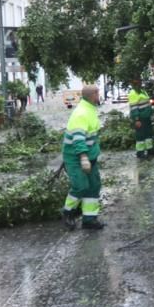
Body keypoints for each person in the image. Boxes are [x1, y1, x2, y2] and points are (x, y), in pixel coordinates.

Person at [61, 85, 104, 230]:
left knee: (93, 186)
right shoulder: (82, 113)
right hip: (76, 157)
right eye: (98, 93)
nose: (99, 95)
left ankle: (89, 219)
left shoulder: (90, 109)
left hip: (89, 156)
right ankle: (68, 213)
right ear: (93, 95)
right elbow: (78, 139)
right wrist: (84, 158)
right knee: (81, 186)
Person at [127, 79, 154, 159]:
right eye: (138, 82)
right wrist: (136, 119)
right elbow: (134, 107)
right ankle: (140, 153)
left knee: (148, 134)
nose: (140, 83)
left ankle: (150, 150)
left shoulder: (142, 91)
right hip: (140, 118)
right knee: (140, 136)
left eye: (140, 81)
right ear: (134, 83)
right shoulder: (133, 93)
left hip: (146, 117)